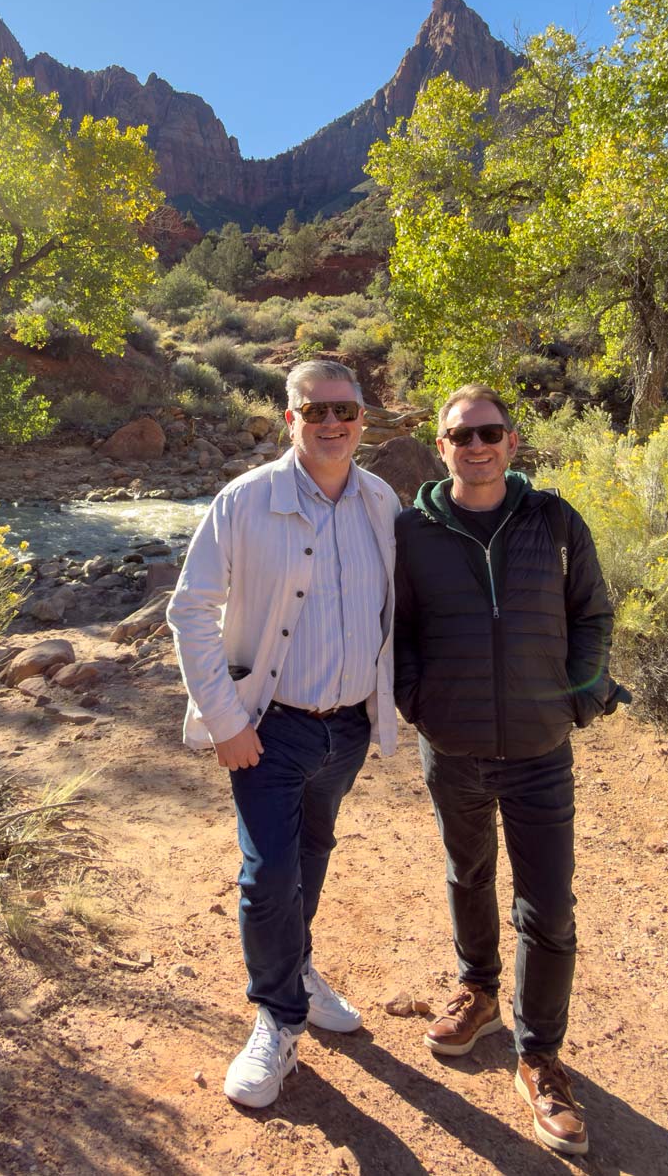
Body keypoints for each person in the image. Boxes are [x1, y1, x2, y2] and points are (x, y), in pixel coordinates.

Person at [393, 383, 626, 1156]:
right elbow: (400, 627)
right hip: (452, 744)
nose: (478, 445)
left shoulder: (553, 520)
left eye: (490, 432)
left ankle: (540, 1055)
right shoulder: (412, 531)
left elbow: (592, 613)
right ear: (442, 446)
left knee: (549, 905)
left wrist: (580, 700)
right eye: (463, 435)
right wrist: (416, 699)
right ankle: (479, 989)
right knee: (467, 873)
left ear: (513, 442)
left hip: (538, 749)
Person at [167, 358, 401, 1109]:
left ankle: (296, 965)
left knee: (312, 850)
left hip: (349, 728)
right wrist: (226, 720)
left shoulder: (382, 500)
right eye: (316, 411)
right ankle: (277, 1014)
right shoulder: (245, 500)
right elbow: (189, 610)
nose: (332, 424)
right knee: (268, 871)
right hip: (268, 727)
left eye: (346, 411)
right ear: (290, 417)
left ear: (364, 418)